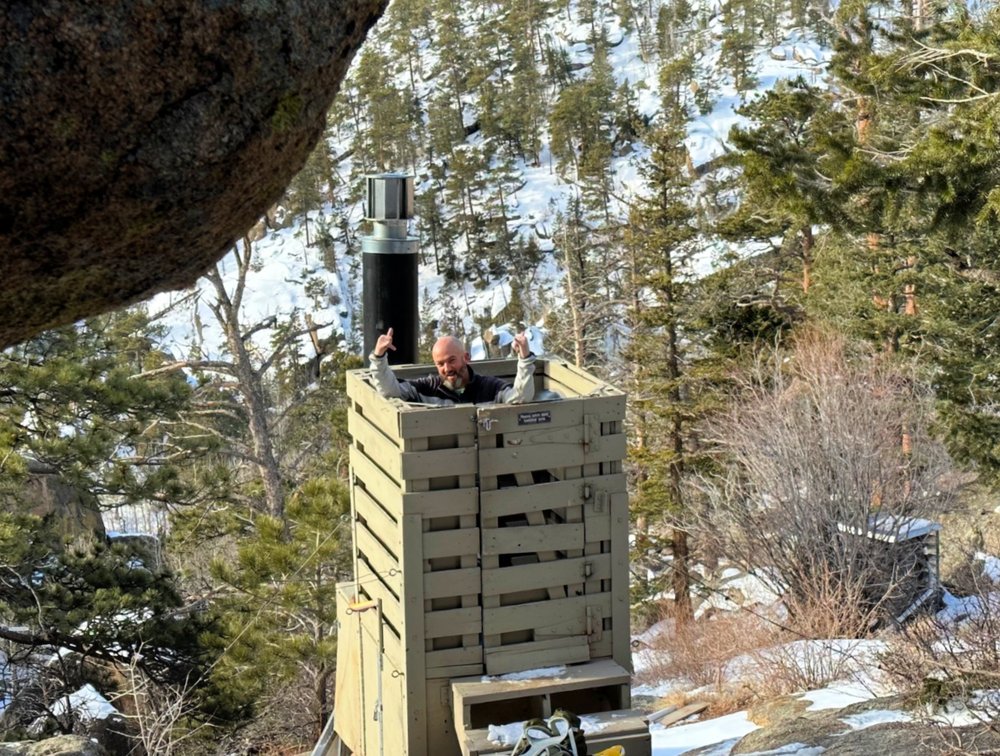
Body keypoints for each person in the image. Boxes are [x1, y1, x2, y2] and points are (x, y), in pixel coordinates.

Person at [369, 327, 536, 404]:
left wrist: (524, 358)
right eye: (440, 364)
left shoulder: (489, 387)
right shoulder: (427, 388)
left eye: (451, 360)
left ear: (466, 357)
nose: (447, 368)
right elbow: (390, 391)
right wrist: (379, 357)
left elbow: (520, 398)